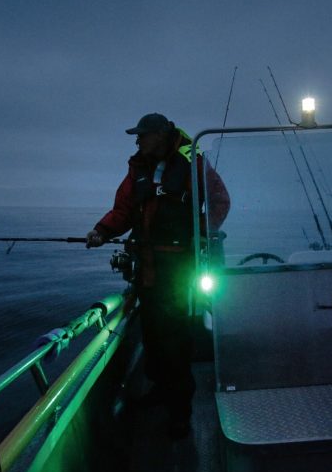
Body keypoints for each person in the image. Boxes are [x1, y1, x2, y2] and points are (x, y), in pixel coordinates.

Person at [86, 112, 229, 438]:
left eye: (142, 136)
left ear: (161, 135)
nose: (137, 142)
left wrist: (203, 233)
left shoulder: (192, 161)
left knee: (176, 341)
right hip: (146, 270)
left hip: (178, 270)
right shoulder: (137, 167)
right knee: (151, 336)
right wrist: (101, 231)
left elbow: (220, 200)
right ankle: (160, 391)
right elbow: (123, 210)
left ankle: (181, 413)